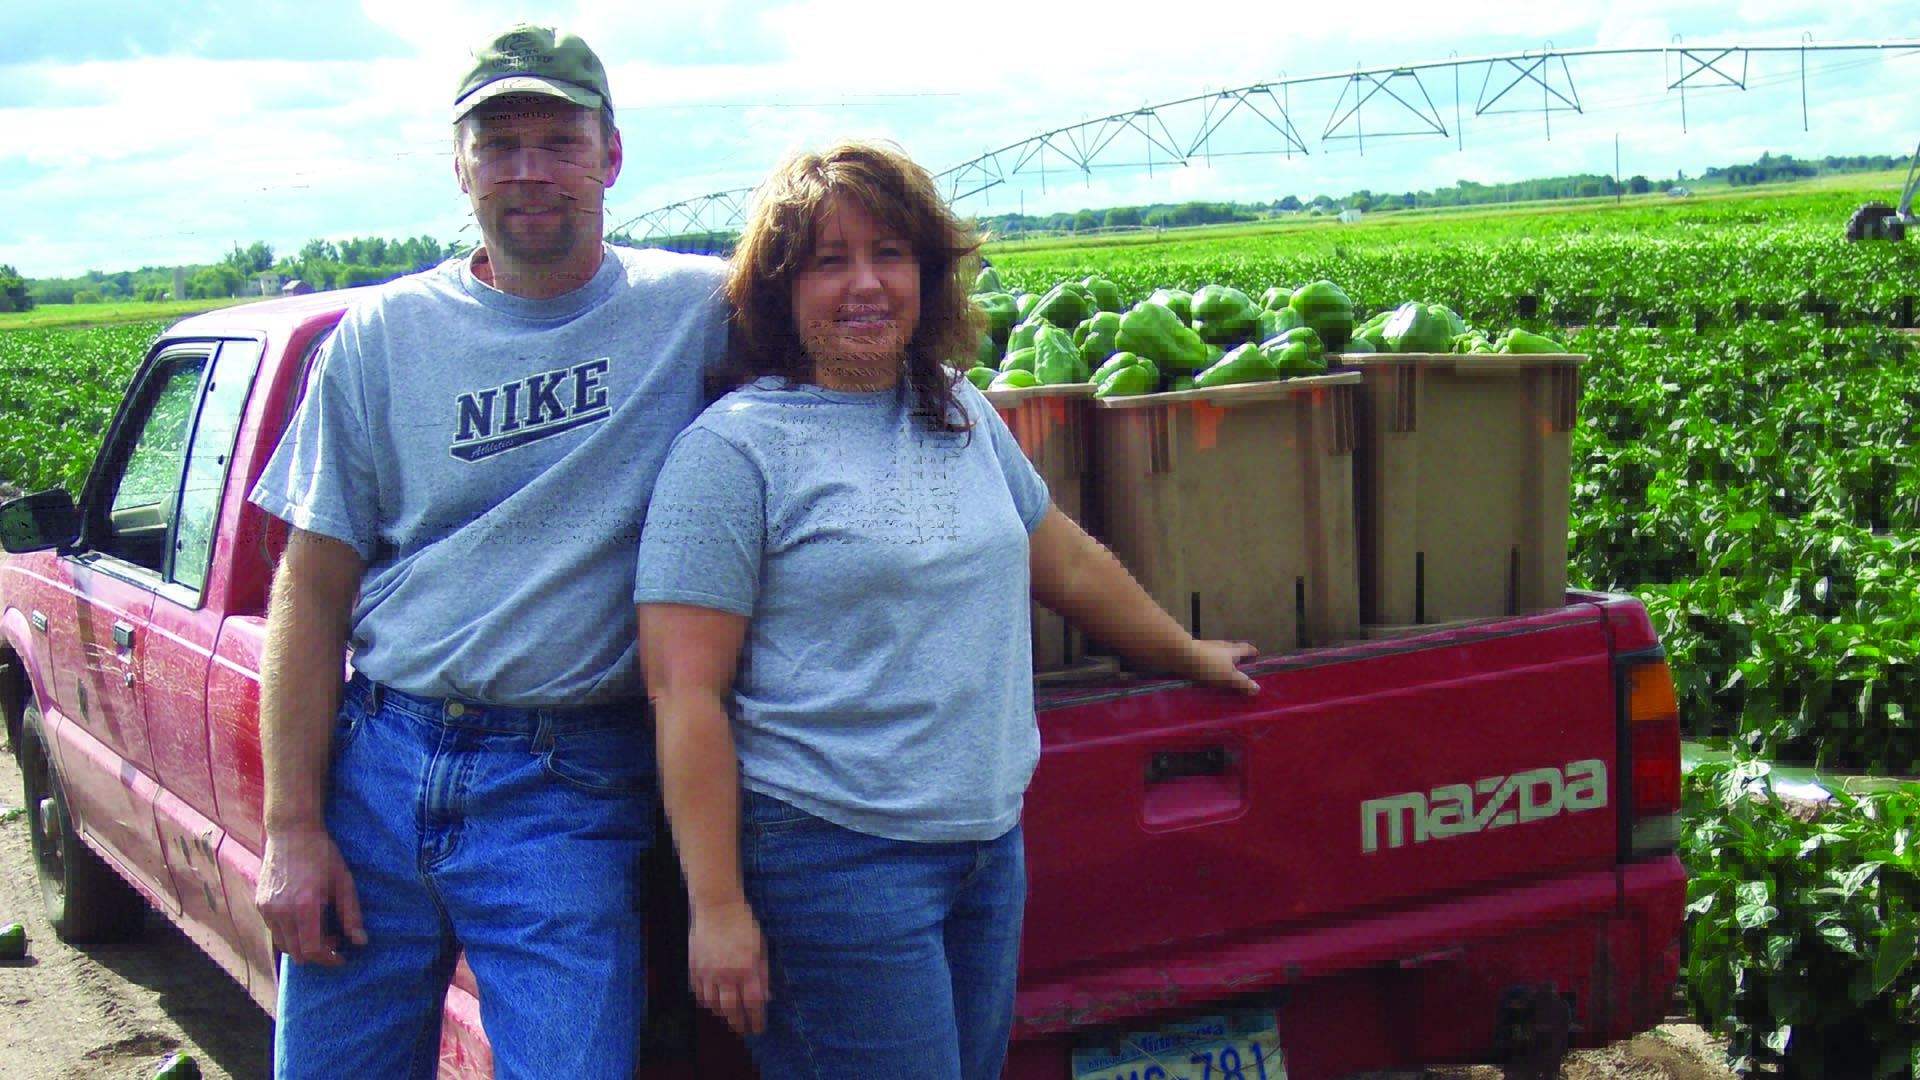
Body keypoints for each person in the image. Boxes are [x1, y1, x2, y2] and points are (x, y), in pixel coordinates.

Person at [632, 140, 1260, 1080]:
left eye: (890, 254)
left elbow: (1068, 563)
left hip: (983, 844)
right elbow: (684, 692)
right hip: (831, 856)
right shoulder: (732, 454)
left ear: (927, 275)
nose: (866, 284)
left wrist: (1187, 653)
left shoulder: (958, 411)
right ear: (779, 289)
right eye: (829, 260)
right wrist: (717, 908)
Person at [246, 23, 728, 1080]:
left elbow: (859, 324)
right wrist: (293, 827)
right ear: (459, 166)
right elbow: (311, 591)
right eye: (499, 144)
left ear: (611, 155)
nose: (528, 170)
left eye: (559, 141)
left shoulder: (697, 311)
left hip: (570, 780)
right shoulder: (380, 338)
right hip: (378, 758)